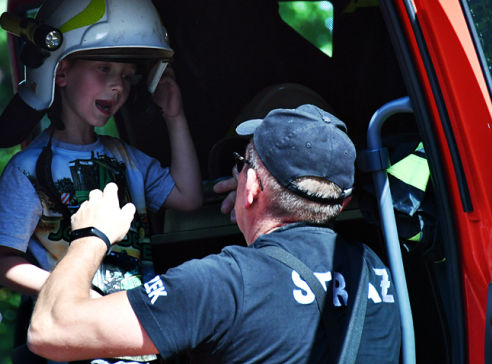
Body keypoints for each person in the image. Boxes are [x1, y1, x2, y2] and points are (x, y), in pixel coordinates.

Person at [27, 104, 401, 364]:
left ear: (252, 186)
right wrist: (249, 205)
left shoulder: (221, 285)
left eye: (241, 167)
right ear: (344, 200)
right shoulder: (380, 272)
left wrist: (91, 235)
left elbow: (51, 329)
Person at [0, 0, 202, 304]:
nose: (118, 85)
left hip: (135, 336)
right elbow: (2, 263)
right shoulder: (26, 170)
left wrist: (175, 117)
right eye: (104, 69)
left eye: (128, 76)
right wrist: (76, 292)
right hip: (75, 336)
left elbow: (188, 198)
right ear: (60, 72)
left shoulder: (126, 158)